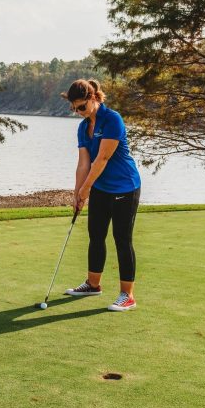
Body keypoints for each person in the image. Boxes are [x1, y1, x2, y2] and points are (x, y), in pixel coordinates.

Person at [62, 79, 142, 311]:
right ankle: (93, 284)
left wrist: (86, 189)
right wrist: (77, 193)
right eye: (75, 108)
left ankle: (127, 295)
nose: (78, 112)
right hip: (100, 186)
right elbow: (83, 163)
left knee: (121, 239)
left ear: (94, 98)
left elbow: (102, 159)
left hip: (124, 186)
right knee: (96, 235)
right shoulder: (83, 127)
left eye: (82, 107)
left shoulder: (112, 119)